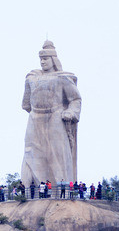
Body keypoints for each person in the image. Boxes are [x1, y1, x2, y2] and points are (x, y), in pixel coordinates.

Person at [21, 41, 81, 187]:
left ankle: (62, 188)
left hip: (55, 117)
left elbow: (75, 99)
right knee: (31, 153)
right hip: (35, 119)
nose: (42, 62)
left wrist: (71, 112)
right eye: (41, 59)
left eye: (46, 59)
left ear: (53, 59)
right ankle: (28, 188)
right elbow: (26, 104)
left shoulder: (62, 77)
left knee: (58, 155)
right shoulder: (32, 77)